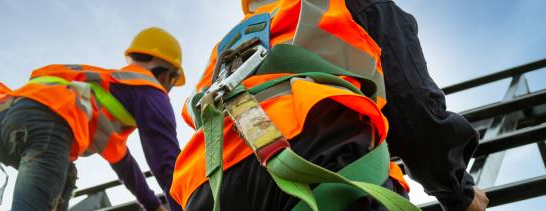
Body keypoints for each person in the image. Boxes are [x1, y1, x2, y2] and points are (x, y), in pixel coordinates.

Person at [169, 0, 485, 210]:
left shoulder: (231, 44)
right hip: (321, 152)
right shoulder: (346, 4)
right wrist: (458, 191)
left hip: (206, 185)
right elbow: (412, 107)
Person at [0, 27, 183, 211]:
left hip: (3, 121)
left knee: (65, 179)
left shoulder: (108, 94)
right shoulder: (149, 89)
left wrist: (153, 206)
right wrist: (188, 204)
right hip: (46, 121)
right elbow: (168, 163)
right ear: (166, 73)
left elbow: (125, 166)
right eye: (172, 81)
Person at [346, 0, 488, 210]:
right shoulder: (369, 6)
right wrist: (460, 193)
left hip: (283, 168)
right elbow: (412, 111)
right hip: (344, 178)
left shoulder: (285, 11)